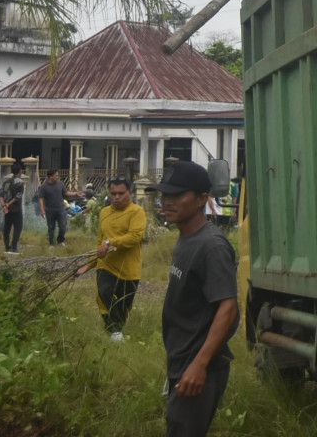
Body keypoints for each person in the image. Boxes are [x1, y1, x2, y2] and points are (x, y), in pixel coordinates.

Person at [150, 162, 239, 437]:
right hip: (182, 358)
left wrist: (199, 365)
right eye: (165, 194)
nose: (167, 201)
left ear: (202, 199)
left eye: (177, 195)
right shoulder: (187, 238)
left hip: (199, 364)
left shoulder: (211, 246)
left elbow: (228, 307)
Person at [86, 177, 148, 342]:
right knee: (104, 293)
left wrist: (110, 243)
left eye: (121, 193)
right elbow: (100, 242)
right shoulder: (104, 212)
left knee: (123, 306)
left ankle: (116, 330)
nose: (117, 197)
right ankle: (114, 332)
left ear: (130, 193)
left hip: (129, 269)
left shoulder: (137, 212)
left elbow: (134, 237)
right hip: (106, 265)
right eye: (113, 194)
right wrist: (88, 265)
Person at [37, 169, 83, 246]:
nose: (57, 177)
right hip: (50, 210)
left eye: (57, 175)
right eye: (56, 175)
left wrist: (75, 193)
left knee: (63, 226)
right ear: (50, 177)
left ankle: (60, 241)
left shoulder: (60, 184)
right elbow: (41, 199)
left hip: (60, 209)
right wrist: (42, 211)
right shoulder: (44, 187)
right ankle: (51, 243)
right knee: (51, 228)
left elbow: (66, 193)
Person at [0, 162, 26, 254]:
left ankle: (7, 247)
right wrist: (8, 204)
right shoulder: (20, 182)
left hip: (7, 210)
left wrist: (4, 206)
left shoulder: (6, 182)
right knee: (18, 228)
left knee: (7, 228)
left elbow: (1, 195)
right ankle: (14, 247)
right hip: (16, 209)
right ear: (20, 171)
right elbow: (17, 197)